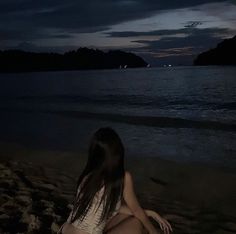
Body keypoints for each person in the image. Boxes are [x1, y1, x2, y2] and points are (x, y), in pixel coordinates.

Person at [58, 127, 172, 234]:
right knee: (137, 222)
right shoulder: (123, 177)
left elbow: (114, 209)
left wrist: (151, 213)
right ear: (117, 151)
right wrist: (154, 231)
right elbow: (136, 211)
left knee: (123, 216)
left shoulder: (88, 175)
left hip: (66, 229)